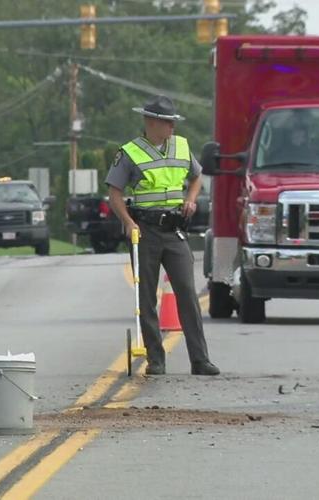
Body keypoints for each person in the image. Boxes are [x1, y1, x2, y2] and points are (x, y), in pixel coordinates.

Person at [105, 95, 219, 376]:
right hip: (145, 231)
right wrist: (129, 222)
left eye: (173, 122)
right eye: (168, 123)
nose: (172, 128)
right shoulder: (129, 152)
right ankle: (156, 359)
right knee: (146, 297)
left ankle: (200, 359)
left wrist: (191, 200)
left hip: (174, 230)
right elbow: (114, 193)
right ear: (151, 122)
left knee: (187, 293)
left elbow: (196, 177)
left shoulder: (181, 146)